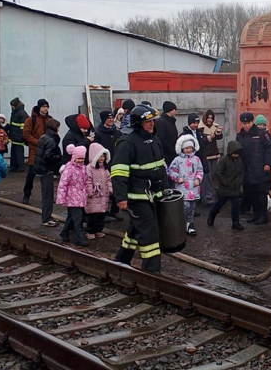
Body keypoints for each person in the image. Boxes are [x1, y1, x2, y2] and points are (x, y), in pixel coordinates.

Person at [111, 104, 168, 273]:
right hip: (136, 196)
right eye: (148, 122)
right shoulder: (127, 142)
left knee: (137, 227)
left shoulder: (154, 139)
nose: (152, 124)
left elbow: (160, 166)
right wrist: (121, 198)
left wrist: (165, 188)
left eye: (153, 121)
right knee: (149, 231)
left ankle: (121, 259)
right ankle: (152, 271)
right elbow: (118, 172)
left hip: (153, 194)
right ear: (137, 123)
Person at [237, 111, 271, 225]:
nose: (247, 125)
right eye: (244, 123)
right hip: (247, 169)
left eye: (249, 123)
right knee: (252, 194)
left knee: (261, 193)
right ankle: (256, 215)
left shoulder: (261, 134)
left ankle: (263, 216)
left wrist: (268, 163)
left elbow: (270, 149)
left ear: (253, 122)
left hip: (261, 168)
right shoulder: (240, 135)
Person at [168, 134, 204, 236]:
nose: (188, 150)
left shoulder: (196, 159)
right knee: (185, 206)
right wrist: (177, 178)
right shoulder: (177, 160)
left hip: (194, 187)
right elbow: (171, 171)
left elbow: (200, 170)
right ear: (182, 148)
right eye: (186, 148)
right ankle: (180, 223)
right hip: (182, 187)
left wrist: (198, 179)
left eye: (190, 148)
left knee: (192, 207)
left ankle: (189, 223)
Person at [57, 144, 91, 247]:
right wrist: (61, 198)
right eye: (78, 158)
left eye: (82, 158)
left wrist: (88, 192)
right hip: (72, 197)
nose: (80, 160)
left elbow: (86, 182)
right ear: (74, 158)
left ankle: (64, 232)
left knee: (72, 217)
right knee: (78, 218)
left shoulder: (83, 168)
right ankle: (79, 238)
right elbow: (62, 184)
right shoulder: (69, 169)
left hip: (80, 197)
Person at [207, 140, 245, 231]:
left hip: (235, 187)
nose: (236, 155)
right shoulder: (224, 160)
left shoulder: (239, 160)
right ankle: (212, 216)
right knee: (219, 205)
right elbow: (218, 172)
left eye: (237, 154)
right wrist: (225, 182)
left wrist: (239, 181)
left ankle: (235, 222)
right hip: (225, 188)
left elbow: (241, 172)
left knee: (235, 207)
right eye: (234, 153)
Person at [22, 99, 51, 204]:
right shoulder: (30, 120)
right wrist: (38, 142)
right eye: (43, 106)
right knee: (31, 175)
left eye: (47, 106)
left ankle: (48, 197)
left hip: (47, 152)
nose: (45, 108)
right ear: (39, 107)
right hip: (35, 151)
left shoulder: (50, 119)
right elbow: (26, 134)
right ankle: (26, 195)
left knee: (48, 175)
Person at [35, 118, 62, 227]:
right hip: (47, 170)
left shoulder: (43, 137)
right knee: (48, 195)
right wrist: (59, 158)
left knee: (46, 194)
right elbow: (48, 156)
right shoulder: (51, 140)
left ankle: (47, 216)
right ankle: (46, 218)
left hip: (41, 169)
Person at [85, 142, 112, 239]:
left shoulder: (104, 168)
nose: (102, 159)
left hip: (103, 195)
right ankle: (90, 230)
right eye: (100, 156)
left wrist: (110, 188)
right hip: (94, 196)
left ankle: (98, 229)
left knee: (101, 214)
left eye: (103, 156)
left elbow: (108, 179)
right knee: (93, 215)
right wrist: (90, 191)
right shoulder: (89, 168)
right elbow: (87, 181)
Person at [198, 110, 224, 207]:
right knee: (206, 177)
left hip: (214, 154)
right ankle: (207, 198)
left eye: (211, 118)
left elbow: (219, 137)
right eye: (208, 117)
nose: (210, 119)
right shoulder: (200, 128)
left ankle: (205, 195)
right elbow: (201, 141)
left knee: (212, 176)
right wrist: (210, 137)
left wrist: (218, 133)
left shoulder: (215, 126)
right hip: (205, 155)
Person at [155, 101, 180, 166]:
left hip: (173, 153)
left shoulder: (171, 121)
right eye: (175, 110)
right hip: (167, 155)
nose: (175, 112)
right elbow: (161, 139)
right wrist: (171, 149)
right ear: (171, 110)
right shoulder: (161, 122)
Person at [8, 97, 28, 172]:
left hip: (18, 137)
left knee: (18, 153)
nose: (11, 107)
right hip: (14, 136)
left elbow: (23, 127)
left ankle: (20, 167)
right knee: (14, 153)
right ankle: (14, 166)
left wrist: (20, 136)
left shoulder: (21, 113)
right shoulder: (16, 112)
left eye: (12, 105)